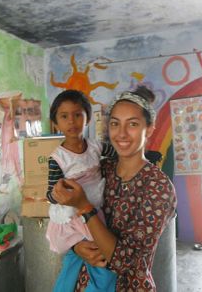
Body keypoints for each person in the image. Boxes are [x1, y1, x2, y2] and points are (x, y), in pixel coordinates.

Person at [52, 86, 177, 291]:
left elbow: (128, 262)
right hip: (84, 283)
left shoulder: (158, 187)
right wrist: (76, 246)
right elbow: (68, 219)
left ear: (150, 129)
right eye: (115, 124)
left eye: (133, 124)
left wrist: (85, 206)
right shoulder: (101, 169)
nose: (122, 134)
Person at [45, 90, 117, 292]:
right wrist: (58, 193)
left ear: (88, 118)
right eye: (64, 116)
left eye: (78, 114)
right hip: (73, 213)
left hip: (93, 208)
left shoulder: (96, 147)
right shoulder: (57, 158)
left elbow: (119, 155)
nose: (72, 121)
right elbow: (49, 194)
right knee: (101, 261)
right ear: (55, 123)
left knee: (74, 259)